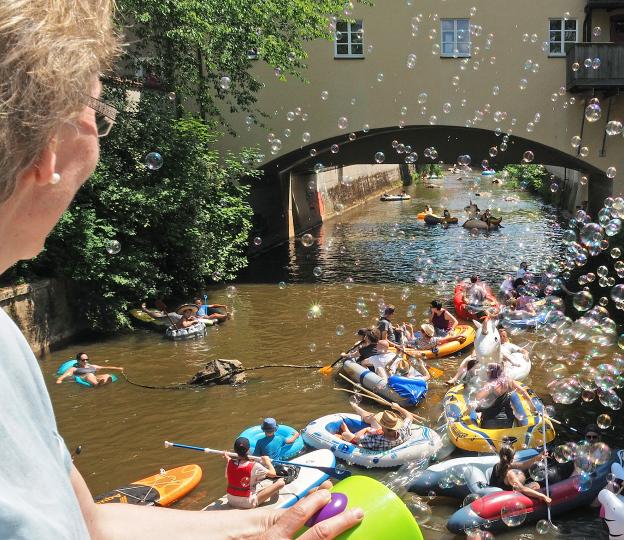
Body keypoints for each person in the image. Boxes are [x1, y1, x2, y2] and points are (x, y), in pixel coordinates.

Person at [0, 3, 362, 536]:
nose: (102, 133)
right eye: (99, 114)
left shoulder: (8, 343)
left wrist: (258, 526)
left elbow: (92, 523)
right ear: (50, 148)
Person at [224, 437, 286, 509]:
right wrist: (268, 462)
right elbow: (273, 474)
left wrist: (227, 457)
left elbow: (229, 467)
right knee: (281, 483)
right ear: (248, 450)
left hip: (231, 500)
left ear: (235, 450)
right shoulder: (255, 465)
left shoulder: (229, 463)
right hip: (248, 503)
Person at [473, 363, 534, 429]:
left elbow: (476, 400)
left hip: (491, 420)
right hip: (508, 420)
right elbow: (523, 391)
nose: (486, 371)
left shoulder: (490, 385)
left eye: (487, 369)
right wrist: (532, 406)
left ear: (491, 372)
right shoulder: (508, 380)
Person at [337, 401, 414, 451]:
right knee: (373, 418)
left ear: (383, 427)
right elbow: (409, 416)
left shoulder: (375, 439)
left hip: (369, 444)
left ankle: (345, 431)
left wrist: (366, 429)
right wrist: (397, 407)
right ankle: (358, 409)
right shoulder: (403, 430)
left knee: (345, 434)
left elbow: (357, 438)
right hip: (389, 438)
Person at [55, 352, 124, 386]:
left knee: (106, 375)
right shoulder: (74, 368)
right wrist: (59, 380)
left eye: (86, 359)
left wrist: (117, 368)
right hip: (84, 377)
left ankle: (104, 382)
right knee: (89, 375)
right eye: (83, 360)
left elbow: (104, 367)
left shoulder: (92, 366)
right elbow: (63, 376)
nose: (85, 361)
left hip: (93, 377)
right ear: (78, 360)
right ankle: (97, 384)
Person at [402, 322, 466, 351]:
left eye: (422, 330)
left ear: (424, 334)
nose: (420, 331)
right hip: (425, 347)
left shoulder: (419, 340)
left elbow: (410, 341)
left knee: (406, 334)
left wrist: (408, 329)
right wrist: (458, 336)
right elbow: (447, 339)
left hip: (416, 347)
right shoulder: (434, 340)